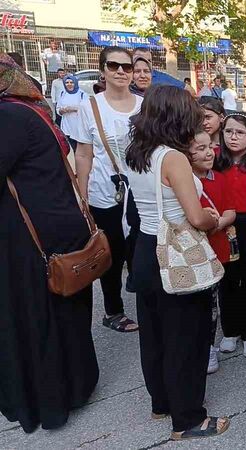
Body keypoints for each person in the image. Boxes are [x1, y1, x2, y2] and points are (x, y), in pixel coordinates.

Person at [0, 53, 99, 433]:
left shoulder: (8, 117)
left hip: (32, 240)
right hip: (55, 230)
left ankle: (53, 400)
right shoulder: (30, 109)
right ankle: (76, 387)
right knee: (65, 316)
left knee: (38, 320)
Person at [126, 85, 230, 441]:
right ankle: (188, 419)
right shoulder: (173, 158)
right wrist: (214, 220)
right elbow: (195, 217)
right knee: (185, 337)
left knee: (154, 334)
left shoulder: (137, 152)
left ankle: (162, 402)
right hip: (175, 252)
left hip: (145, 246)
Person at [74, 46, 141, 333]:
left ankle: (149, 306)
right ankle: (113, 310)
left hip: (141, 190)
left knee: (140, 250)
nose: (121, 72)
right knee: (110, 252)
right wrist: (82, 193)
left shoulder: (144, 105)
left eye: (127, 67)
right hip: (106, 192)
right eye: (114, 66)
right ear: (103, 70)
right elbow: (83, 154)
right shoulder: (89, 107)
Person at [213, 112, 246, 358]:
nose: (233, 137)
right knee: (227, 279)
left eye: (240, 132)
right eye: (229, 131)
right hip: (223, 225)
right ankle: (230, 330)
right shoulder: (214, 160)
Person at [187, 130, 236, 375]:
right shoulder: (183, 181)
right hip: (193, 250)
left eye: (210, 147)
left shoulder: (220, 178)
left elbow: (230, 210)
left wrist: (217, 223)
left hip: (216, 248)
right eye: (200, 149)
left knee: (213, 301)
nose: (209, 153)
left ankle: (209, 348)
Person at [56, 73, 86, 151]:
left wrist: (73, 109)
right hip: (67, 127)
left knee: (80, 150)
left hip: (79, 127)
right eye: (67, 82)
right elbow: (58, 109)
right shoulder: (63, 94)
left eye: (71, 82)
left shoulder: (81, 94)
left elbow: (87, 109)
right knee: (72, 149)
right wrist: (62, 110)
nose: (69, 84)